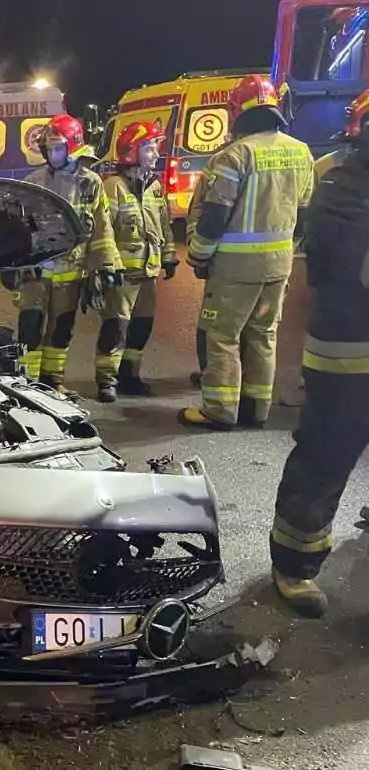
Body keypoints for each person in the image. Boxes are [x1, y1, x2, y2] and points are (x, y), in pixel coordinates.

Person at [268, 94, 369, 618]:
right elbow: (342, 268)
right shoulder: (341, 185)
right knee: (324, 459)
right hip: (350, 354)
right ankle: (295, 563)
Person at [178, 75, 315, 430]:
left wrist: (199, 255)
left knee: (222, 335)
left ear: (237, 111)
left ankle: (220, 410)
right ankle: (256, 408)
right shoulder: (301, 152)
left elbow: (215, 215)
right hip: (278, 265)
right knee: (263, 334)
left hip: (235, 268)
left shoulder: (235, 155)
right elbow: (304, 215)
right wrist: (286, 250)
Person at [11, 114, 122, 396]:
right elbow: (18, 228)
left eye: (58, 147)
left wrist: (105, 267)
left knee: (61, 329)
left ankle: (52, 380)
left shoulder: (90, 183)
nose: (53, 154)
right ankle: (27, 383)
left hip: (71, 273)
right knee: (31, 325)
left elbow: (102, 229)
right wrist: (10, 263)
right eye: (49, 148)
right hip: (35, 272)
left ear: (73, 146)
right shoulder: (33, 181)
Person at [97, 121, 179, 401]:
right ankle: (107, 380)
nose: (156, 153)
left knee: (141, 327)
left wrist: (168, 257)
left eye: (156, 147)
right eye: (149, 148)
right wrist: (107, 266)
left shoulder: (154, 187)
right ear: (132, 151)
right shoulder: (113, 187)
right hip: (122, 276)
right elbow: (104, 230)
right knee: (116, 328)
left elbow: (164, 225)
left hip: (148, 273)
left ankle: (129, 376)